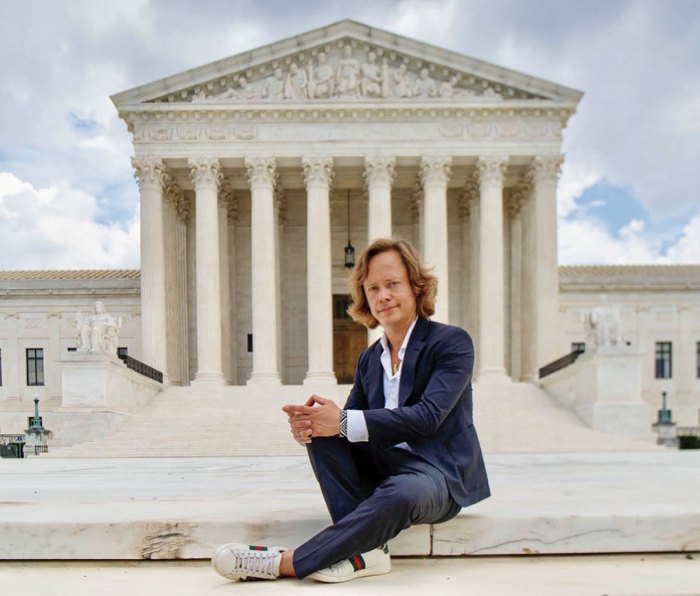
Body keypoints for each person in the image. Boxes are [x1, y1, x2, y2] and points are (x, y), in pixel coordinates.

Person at [211, 238, 490, 583]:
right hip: (386, 469)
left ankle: (287, 562)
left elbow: (428, 417)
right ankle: (370, 552)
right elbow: (348, 427)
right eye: (373, 288)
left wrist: (341, 421)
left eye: (392, 284)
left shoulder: (451, 342)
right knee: (324, 435)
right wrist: (312, 427)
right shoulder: (369, 359)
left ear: (416, 288)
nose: (382, 295)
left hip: (437, 476)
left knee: (402, 491)